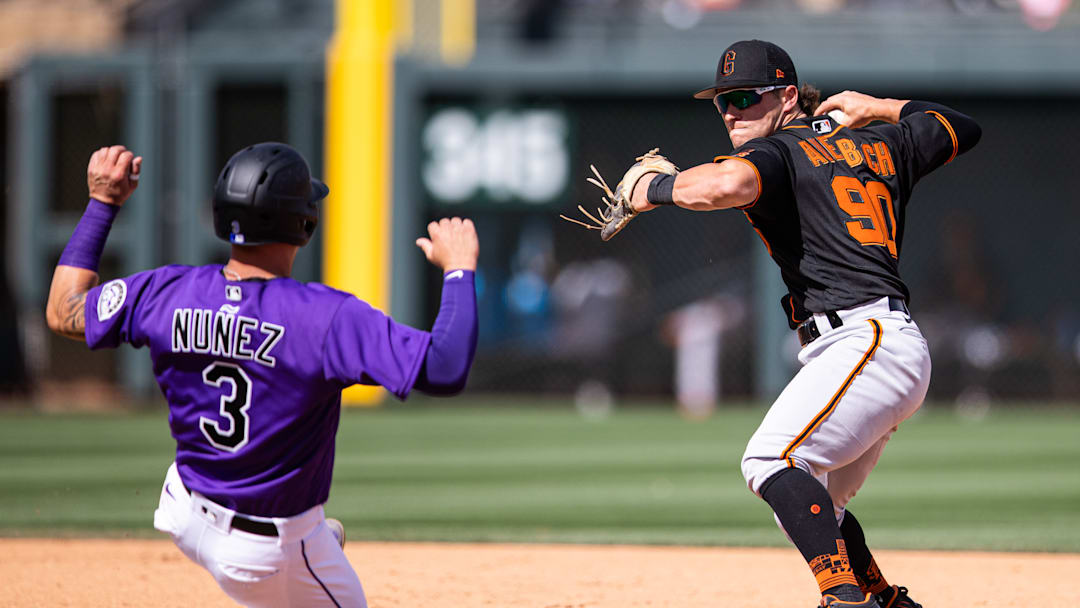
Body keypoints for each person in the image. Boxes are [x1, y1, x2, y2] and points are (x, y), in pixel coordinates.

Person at [620, 40, 980, 607]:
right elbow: (961, 127)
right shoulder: (881, 142)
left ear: (788, 96)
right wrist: (879, 107)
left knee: (769, 460)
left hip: (866, 340)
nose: (732, 112)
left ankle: (842, 599)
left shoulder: (778, 151)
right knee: (814, 506)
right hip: (880, 344)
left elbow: (725, 186)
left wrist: (651, 190)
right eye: (723, 101)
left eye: (746, 97)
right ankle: (884, 600)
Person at [46, 142, 480, 607]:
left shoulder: (165, 291)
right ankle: (308, 555)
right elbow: (445, 367)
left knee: (300, 539)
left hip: (183, 508)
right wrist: (458, 270)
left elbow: (62, 310)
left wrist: (103, 202)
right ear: (305, 223)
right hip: (267, 550)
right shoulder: (324, 317)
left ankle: (312, 547)